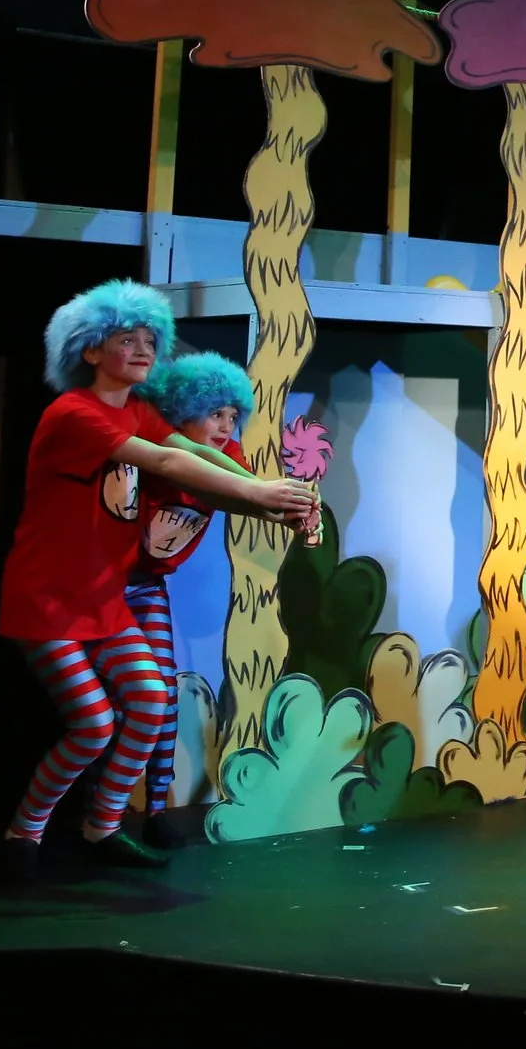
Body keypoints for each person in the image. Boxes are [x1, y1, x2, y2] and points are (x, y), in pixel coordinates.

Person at [0, 283, 314, 878]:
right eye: (126, 339)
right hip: (46, 600)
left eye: (150, 340)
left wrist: (268, 498)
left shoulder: (140, 410)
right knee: (93, 723)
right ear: (90, 351)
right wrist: (255, 491)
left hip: (104, 599)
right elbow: (169, 462)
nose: (143, 349)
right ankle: (24, 831)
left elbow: (199, 455)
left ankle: (103, 825)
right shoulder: (74, 412)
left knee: (150, 700)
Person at [128, 349, 309, 846]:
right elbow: (185, 467)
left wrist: (286, 508)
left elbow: (240, 495)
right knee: (115, 704)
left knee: (163, 695)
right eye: (215, 413)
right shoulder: (152, 448)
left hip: (145, 586)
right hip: (104, 583)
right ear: (184, 409)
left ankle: (158, 807)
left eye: (233, 415)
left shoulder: (231, 460)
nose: (227, 425)